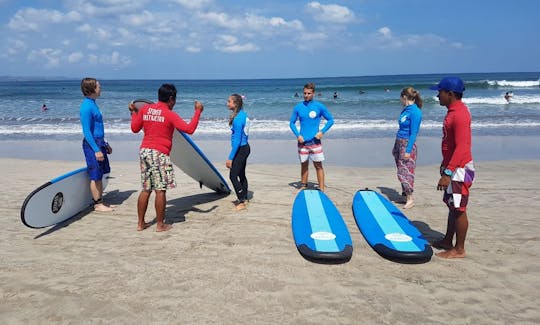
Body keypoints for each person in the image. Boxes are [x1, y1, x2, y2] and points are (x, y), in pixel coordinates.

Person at [129, 84, 204, 232]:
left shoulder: (145, 110)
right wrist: (197, 112)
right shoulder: (169, 114)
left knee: (146, 189)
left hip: (144, 151)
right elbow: (189, 129)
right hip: (159, 154)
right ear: (171, 99)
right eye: (174, 100)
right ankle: (160, 225)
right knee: (160, 190)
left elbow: (134, 128)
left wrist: (133, 113)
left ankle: (140, 223)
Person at [429, 76, 475, 259]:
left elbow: (463, 146)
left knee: (459, 209)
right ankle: (447, 240)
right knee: (452, 206)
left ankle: (459, 249)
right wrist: (445, 164)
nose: (437, 95)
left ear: (450, 93)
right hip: (453, 167)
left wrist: (448, 172)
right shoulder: (453, 111)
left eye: (439, 92)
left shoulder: (460, 114)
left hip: (460, 169)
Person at [289, 82, 334, 191]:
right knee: (304, 165)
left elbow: (331, 120)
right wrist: (298, 135)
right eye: (304, 93)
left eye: (309, 93)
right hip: (302, 142)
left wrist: (322, 132)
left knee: (318, 166)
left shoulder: (319, 106)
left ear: (313, 93)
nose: (306, 95)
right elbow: (291, 123)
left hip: (315, 143)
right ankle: (303, 185)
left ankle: (321, 188)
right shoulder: (298, 107)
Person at [80, 77, 114, 213]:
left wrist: (105, 144)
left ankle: (101, 201)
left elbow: (98, 128)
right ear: (92, 89)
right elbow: (87, 131)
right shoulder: (86, 106)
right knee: (95, 175)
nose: (101, 88)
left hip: (99, 143)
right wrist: (96, 149)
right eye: (99, 86)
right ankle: (97, 204)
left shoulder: (93, 103)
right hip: (91, 144)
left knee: (100, 173)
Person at [392, 87, 423, 209]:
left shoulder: (415, 112)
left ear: (404, 97)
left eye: (400, 98)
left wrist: (408, 150)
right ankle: (404, 195)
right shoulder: (405, 110)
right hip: (399, 142)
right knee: (400, 169)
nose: (400, 100)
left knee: (405, 171)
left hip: (407, 143)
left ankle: (410, 198)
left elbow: (414, 133)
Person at [225, 94, 251, 211]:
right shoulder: (243, 115)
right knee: (241, 174)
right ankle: (245, 198)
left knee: (233, 176)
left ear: (235, 104)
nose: (227, 103)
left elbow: (237, 141)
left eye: (229, 102)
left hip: (240, 149)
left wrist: (230, 158)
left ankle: (241, 201)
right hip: (245, 148)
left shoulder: (237, 119)